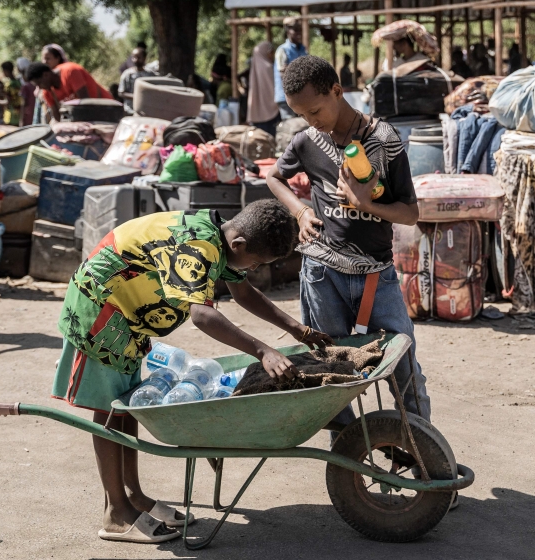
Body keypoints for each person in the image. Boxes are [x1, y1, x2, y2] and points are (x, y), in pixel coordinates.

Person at [52, 201, 330, 543]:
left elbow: (243, 292)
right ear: (239, 244)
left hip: (126, 318)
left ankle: (133, 496)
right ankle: (116, 512)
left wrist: (297, 330)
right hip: (99, 309)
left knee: (126, 407)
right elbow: (202, 316)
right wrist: (262, 350)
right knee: (108, 411)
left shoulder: (221, 238)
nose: (255, 268)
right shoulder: (197, 248)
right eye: (257, 262)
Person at [265, 55, 430, 430]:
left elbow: (410, 213)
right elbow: (275, 177)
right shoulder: (307, 141)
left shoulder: (385, 140)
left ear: (337, 91)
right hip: (322, 276)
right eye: (301, 115)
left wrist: (367, 203)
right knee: (331, 370)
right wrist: (300, 212)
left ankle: (421, 450)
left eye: (315, 110)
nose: (311, 121)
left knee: (403, 367)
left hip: (377, 277)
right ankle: (349, 462)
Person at [27, 60, 113, 123]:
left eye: (39, 83)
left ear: (46, 75)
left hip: (106, 110)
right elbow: (58, 117)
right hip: (87, 119)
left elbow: (86, 103)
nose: (40, 88)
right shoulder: (47, 91)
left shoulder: (70, 72)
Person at [274, 17, 308, 120]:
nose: (299, 33)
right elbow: (283, 76)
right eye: (295, 30)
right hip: (286, 98)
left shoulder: (302, 50)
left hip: (301, 96)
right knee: (291, 128)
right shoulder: (283, 50)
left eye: (300, 30)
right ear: (287, 31)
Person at [247, 41, 280, 136]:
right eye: (271, 52)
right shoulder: (270, 67)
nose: (272, 55)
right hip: (272, 111)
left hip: (256, 112)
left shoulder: (254, 67)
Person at [117, 47, 154, 115]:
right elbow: (121, 93)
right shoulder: (127, 74)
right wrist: (136, 96)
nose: (136, 60)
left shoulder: (150, 75)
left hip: (146, 111)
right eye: (134, 57)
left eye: (139, 57)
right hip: (130, 111)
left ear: (144, 58)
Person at [0, 61, 23, 125]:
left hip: (10, 116)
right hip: (19, 114)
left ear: (6, 71)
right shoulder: (18, 82)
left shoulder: (8, 85)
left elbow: (7, 101)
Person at [16, 58, 35, 126]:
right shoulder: (36, 85)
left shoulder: (25, 87)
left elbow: (23, 104)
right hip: (34, 113)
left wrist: (21, 119)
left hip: (27, 115)